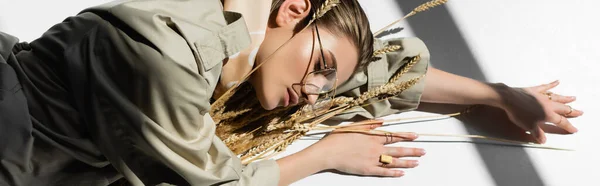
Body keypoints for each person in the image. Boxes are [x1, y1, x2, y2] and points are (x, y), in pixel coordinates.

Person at [0, 0, 582, 185]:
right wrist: (322, 157)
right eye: (322, 66)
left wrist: (498, 94)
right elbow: (214, 181)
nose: (316, 93)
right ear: (296, 8)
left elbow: (373, 69)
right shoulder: (164, 57)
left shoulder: (252, 37)